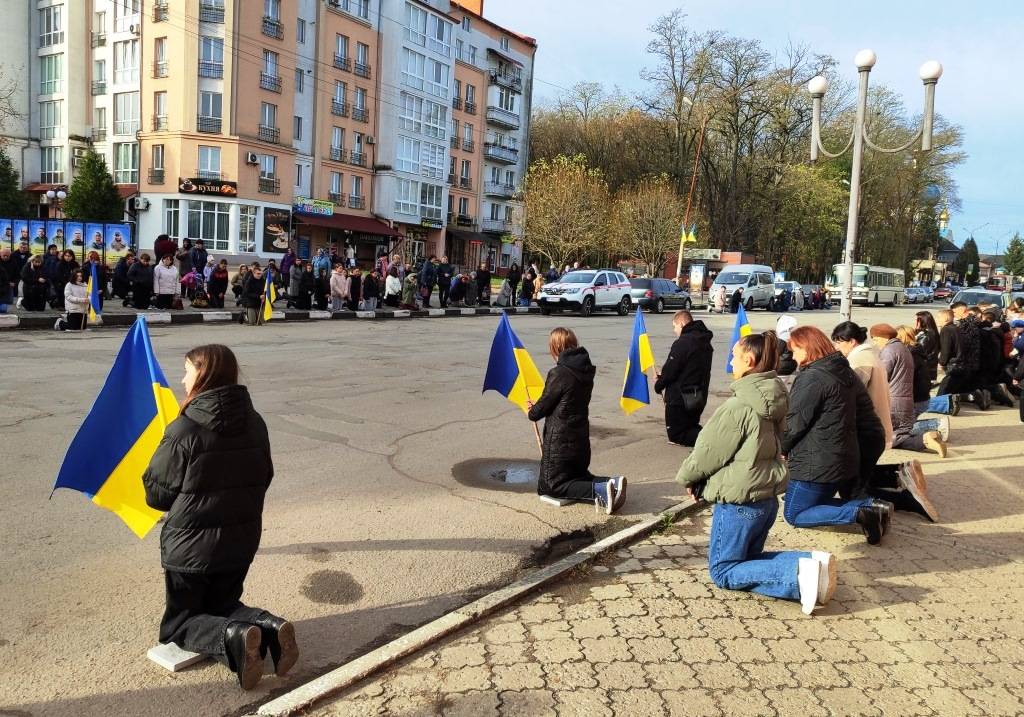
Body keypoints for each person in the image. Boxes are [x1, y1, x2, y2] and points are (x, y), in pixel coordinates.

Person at [142, 345, 296, 690]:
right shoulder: (255, 423)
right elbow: (265, 476)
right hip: (241, 542)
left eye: (187, 371)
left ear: (204, 374)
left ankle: (235, 638)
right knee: (223, 604)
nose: (182, 379)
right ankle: (268, 625)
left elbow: (157, 496)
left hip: (190, 550)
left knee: (179, 625)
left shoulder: (183, 429)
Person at [676, 331, 837, 615]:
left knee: (724, 570)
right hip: (765, 499)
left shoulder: (739, 406)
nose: (731, 362)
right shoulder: (774, 397)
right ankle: (813, 563)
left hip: (739, 503)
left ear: (749, 361)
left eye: (735, 356)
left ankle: (798, 574)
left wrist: (688, 478)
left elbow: (709, 452)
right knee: (749, 558)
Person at [781, 326, 893, 545]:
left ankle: (865, 510)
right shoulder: (843, 369)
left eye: (795, 350)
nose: (793, 356)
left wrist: (781, 449)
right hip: (844, 457)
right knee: (816, 502)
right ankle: (872, 508)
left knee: (794, 513)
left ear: (807, 348)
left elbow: (795, 423)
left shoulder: (814, 377)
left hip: (817, 462)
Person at [527, 328, 625, 512]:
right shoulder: (585, 371)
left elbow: (539, 410)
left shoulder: (559, 373)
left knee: (550, 486)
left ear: (556, 347)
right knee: (577, 476)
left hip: (560, 442)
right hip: (580, 438)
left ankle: (600, 489)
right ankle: (612, 483)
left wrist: (532, 409)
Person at [870, 324, 947, 456]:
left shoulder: (889, 351)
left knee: (892, 439)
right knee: (898, 435)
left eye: (875, 339)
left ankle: (926, 439)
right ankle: (929, 436)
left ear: (883, 337)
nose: (874, 343)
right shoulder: (902, 348)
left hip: (894, 401)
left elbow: (881, 376)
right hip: (904, 399)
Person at [654, 311, 714, 446]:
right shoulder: (704, 341)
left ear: (681, 323)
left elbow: (671, 369)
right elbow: (688, 368)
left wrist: (659, 384)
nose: (674, 330)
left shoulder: (684, 342)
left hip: (680, 398)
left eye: (674, 326)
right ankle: (711, 439)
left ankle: (715, 442)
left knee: (677, 434)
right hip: (697, 395)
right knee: (690, 426)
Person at [831, 321, 894, 449]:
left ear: (852, 341)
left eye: (839, 342)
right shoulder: (868, 355)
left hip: (868, 428)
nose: (836, 347)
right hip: (876, 426)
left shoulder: (859, 360)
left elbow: (849, 394)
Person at [940, 304, 989, 409]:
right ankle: (977, 395)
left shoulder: (966, 324)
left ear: (962, 311)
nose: (953, 315)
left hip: (965, 362)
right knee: (962, 387)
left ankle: (975, 395)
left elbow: (962, 345)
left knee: (948, 389)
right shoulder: (973, 322)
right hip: (972, 361)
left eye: (955, 312)